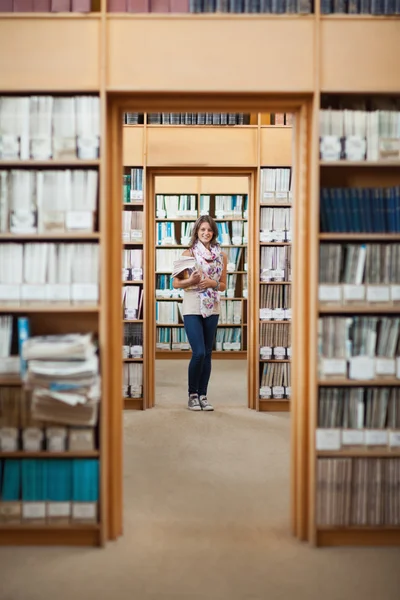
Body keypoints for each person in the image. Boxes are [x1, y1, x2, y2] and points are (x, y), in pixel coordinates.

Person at [172, 215, 227, 411]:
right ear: (196, 231)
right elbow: (176, 283)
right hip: (193, 305)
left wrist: (213, 283)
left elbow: (223, 285)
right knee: (199, 352)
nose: (206, 233)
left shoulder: (221, 256)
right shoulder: (188, 254)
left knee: (208, 354)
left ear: (214, 233)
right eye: (202, 229)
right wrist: (191, 281)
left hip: (212, 306)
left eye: (209, 230)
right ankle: (192, 395)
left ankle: (203, 395)